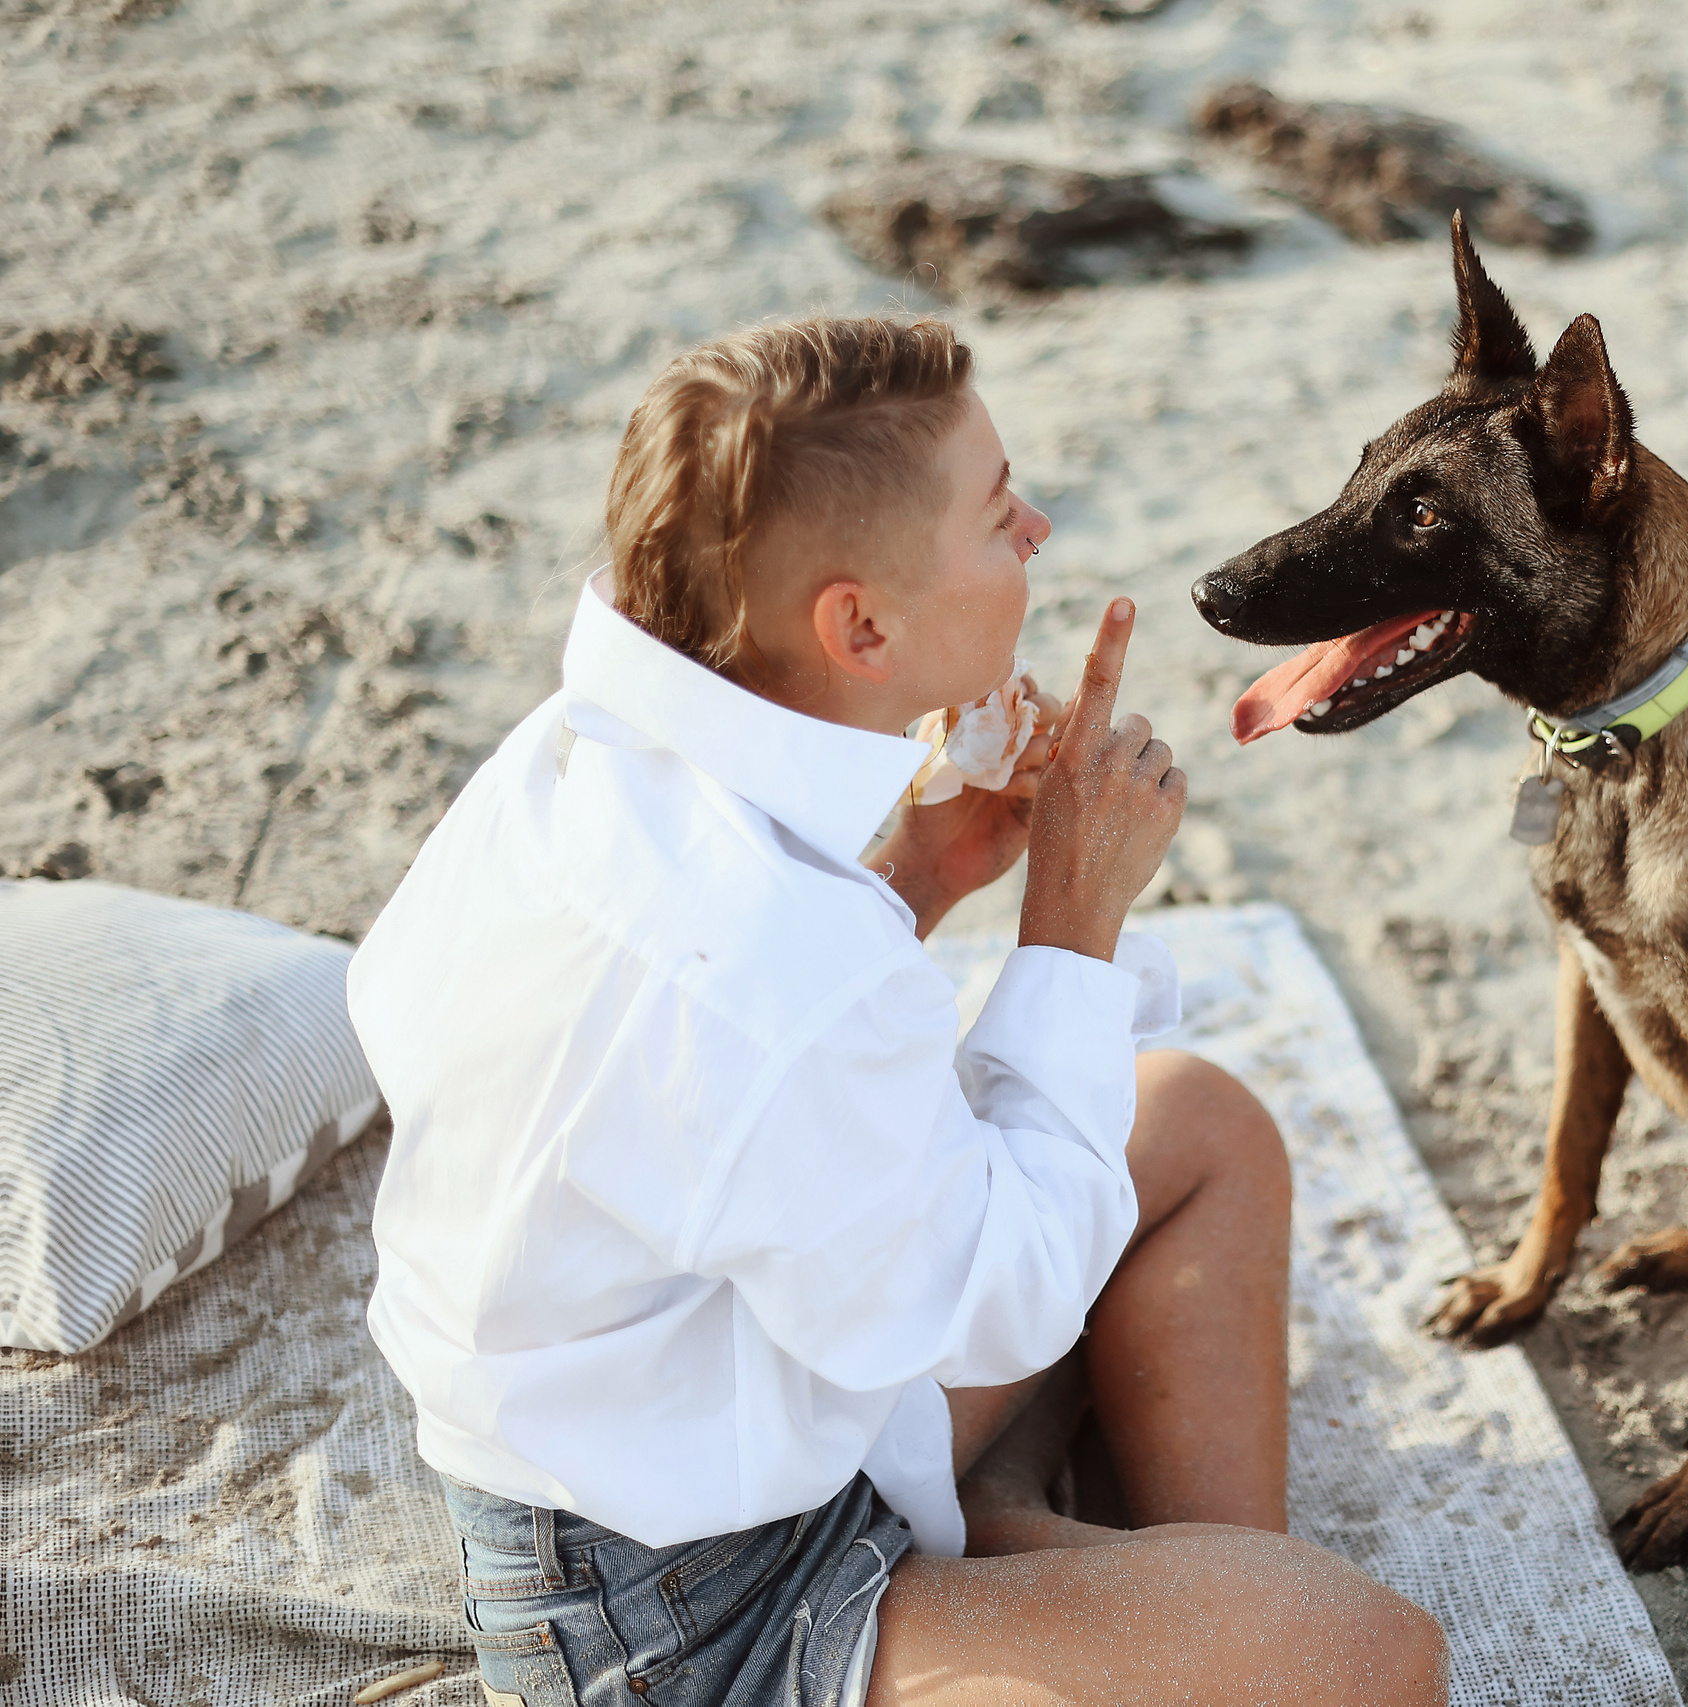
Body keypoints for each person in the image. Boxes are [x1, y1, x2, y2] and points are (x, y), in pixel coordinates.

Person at [347, 317, 1447, 1706]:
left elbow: (744, 1116)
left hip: (771, 1388)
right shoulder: (773, 965)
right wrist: (1072, 923)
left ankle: (1131, 1606)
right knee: (1369, 1658)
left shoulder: (571, 755)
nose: (1037, 528)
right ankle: (1134, 1616)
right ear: (860, 625)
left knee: (1199, 1123)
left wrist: (917, 875)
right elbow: (1001, 1294)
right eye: (999, 516)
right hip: (683, 1604)